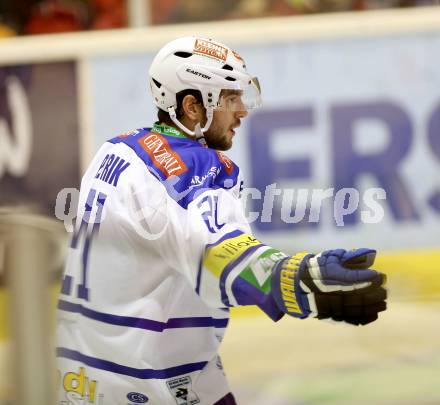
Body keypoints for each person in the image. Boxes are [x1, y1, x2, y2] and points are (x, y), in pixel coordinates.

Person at [56, 36, 387, 405]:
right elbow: (220, 253)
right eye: (230, 98)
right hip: (150, 385)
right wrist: (302, 278)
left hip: (81, 378)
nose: (242, 111)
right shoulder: (194, 166)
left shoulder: (115, 149)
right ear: (192, 106)